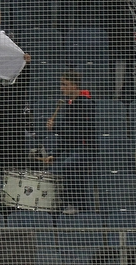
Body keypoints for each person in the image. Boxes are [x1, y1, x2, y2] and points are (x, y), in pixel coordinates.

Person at [43, 69, 96, 214]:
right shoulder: (70, 104)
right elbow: (66, 137)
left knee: (62, 170)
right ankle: (73, 207)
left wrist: (55, 127)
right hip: (73, 149)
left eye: (65, 85)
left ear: (74, 86)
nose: (62, 88)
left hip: (85, 151)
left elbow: (78, 131)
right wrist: (55, 154)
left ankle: (73, 206)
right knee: (58, 168)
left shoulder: (86, 104)